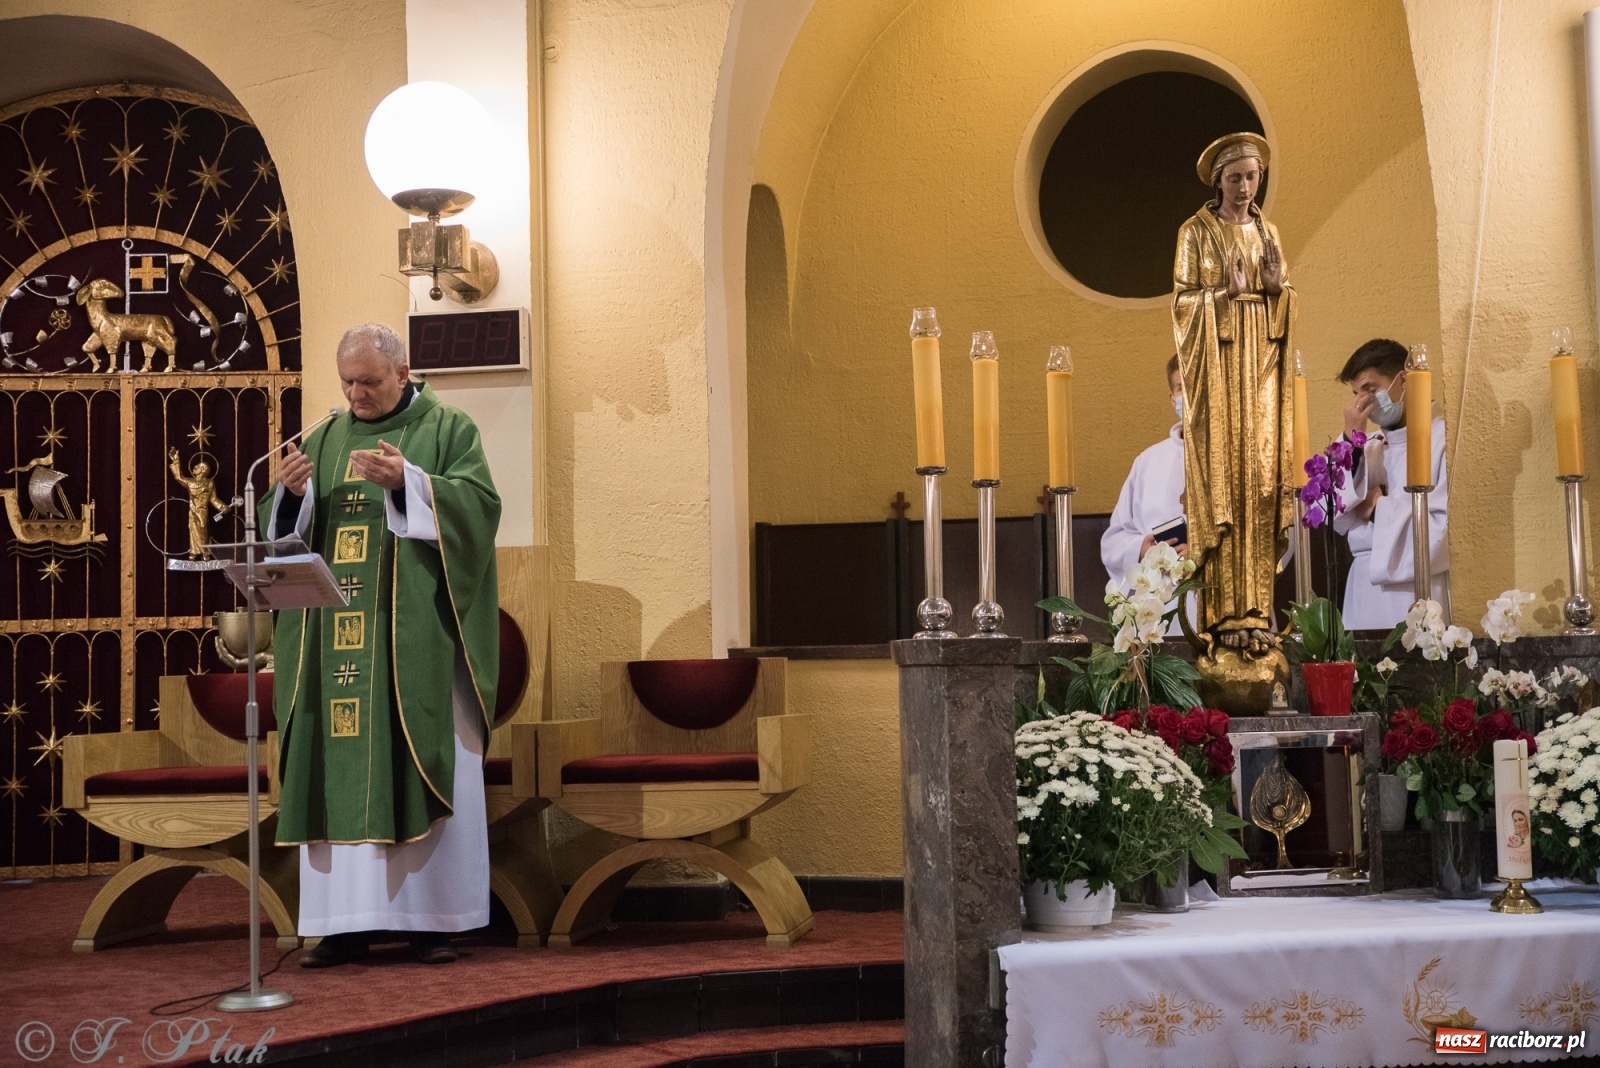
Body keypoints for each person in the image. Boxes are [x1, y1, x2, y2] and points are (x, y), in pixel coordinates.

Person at [265, 322, 501, 967]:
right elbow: (281, 537)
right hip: (331, 638)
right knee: (331, 753)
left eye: (367, 382)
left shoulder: (450, 428)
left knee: (418, 751)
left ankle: (432, 921)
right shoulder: (323, 435)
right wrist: (290, 498)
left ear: (402, 372)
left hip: (413, 638)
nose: (355, 394)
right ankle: (343, 924)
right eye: (346, 382)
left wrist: (412, 486)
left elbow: (479, 512)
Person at [1172, 132, 1296, 655]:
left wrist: (1274, 291)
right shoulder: (1195, 232)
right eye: (1234, 179)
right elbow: (1181, 305)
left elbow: (1285, 303)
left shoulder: (1269, 231)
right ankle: (1223, 615)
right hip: (1220, 377)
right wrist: (1223, 292)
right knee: (1225, 476)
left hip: (1261, 374)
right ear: (1218, 182)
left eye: (1252, 177)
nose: (1245, 188)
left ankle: (1258, 612)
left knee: (1260, 479)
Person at [1332, 338, 1448, 630]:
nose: (1364, 403)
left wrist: (1374, 508)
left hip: (1417, 588)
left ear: (1404, 380)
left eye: (1371, 389)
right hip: (1362, 589)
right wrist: (1351, 440)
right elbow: (1333, 510)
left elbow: (1445, 530)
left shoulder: (1443, 440)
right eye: (1356, 393)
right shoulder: (1367, 447)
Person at [1102, 355, 1188, 634]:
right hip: (1164, 617)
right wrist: (1144, 549)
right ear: (1171, 397)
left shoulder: (1242, 458)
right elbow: (1114, 541)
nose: (1188, 396)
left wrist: (1208, 556)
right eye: (1180, 388)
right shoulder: (1149, 462)